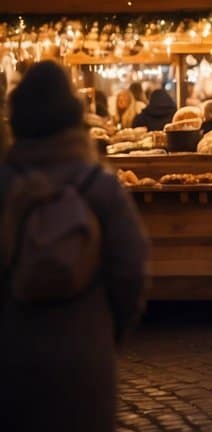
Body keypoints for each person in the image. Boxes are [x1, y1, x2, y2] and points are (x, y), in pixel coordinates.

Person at [0, 61, 149, 431]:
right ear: (73, 119)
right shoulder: (99, 185)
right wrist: (108, 331)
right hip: (84, 355)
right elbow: (131, 269)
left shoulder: (4, 186)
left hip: (12, 355)